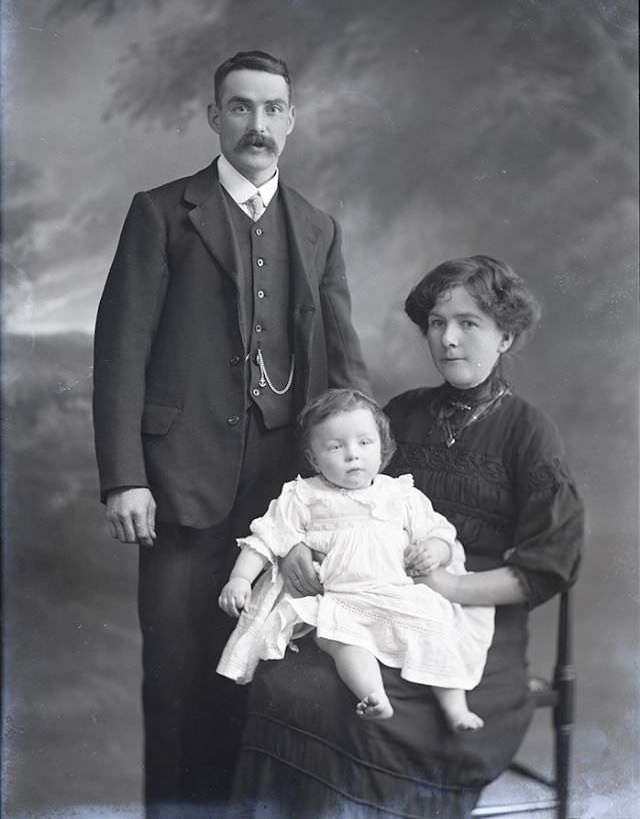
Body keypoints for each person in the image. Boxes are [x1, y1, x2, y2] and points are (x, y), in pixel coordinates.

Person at [92, 50, 369, 819]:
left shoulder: (316, 228)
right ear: (215, 116)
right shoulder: (161, 212)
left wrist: (352, 496)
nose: (257, 123)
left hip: (283, 499)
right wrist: (124, 475)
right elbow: (120, 352)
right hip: (178, 487)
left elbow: (346, 371)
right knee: (179, 681)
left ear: (290, 119)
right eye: (240, 107)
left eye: (272, 108)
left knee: (266, 682)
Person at [228, 255, 583, 819]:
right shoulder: (401, 415)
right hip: (367, 597)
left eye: (469, 323)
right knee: (292, 677)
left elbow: (551, 564)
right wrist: (293, 547)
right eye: (437, 323)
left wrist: (446, 583)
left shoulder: (529, 432)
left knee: (344, 699)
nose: (448, 338)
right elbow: (329, 499)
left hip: (472, 621)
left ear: (506, 336)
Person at [217, 389, 495, 730]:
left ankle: (456, 709)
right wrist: (240, 579)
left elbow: (441, 533)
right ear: (315, 458)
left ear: (383, 448)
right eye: (336, 447)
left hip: (399, 591)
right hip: (340, 598)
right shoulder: (303, 496)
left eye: (365, 443)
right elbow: (266, 539)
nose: (353, 456)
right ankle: (373, 695)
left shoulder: (400, 495)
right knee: (342, 639)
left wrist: (436, 549)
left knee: (437, 626)